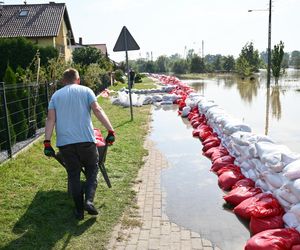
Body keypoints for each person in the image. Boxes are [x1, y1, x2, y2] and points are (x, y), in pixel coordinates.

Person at [43, 68, 115, 220]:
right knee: (92, 169)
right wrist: (110, 131)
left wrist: (47, 142)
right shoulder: (86, 91)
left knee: (74, 174)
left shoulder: (56, 95)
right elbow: (97, 109)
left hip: (65, 143)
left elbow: (50, 119)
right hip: (86, 141)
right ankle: (88, 201)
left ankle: (79, 211)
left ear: (63, 81)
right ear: (78, 79)